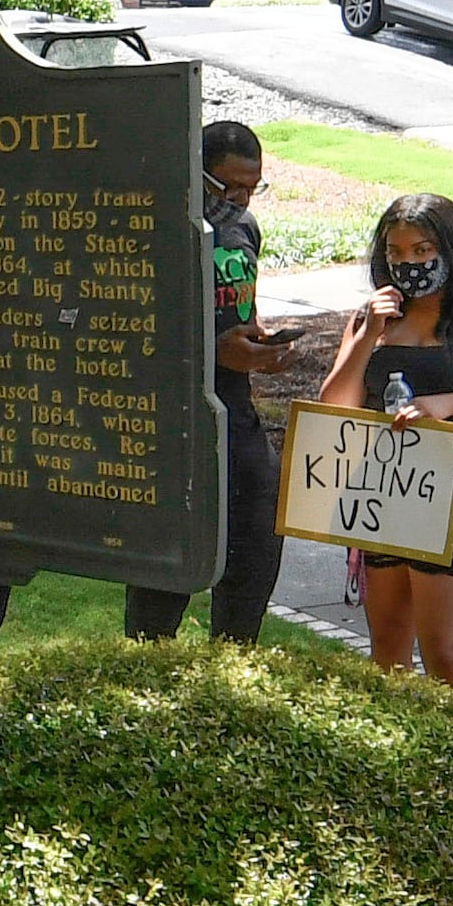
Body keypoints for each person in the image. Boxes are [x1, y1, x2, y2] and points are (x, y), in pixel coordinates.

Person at [305, 192, 453, 682]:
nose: (409, 264)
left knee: (445, 651)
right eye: (396, 252)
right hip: (384, 491)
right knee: (388, 649)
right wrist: (368, 335)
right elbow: (333, 409)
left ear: (452, 249)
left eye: (422, 250)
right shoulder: (372, 318)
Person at [127, 121, 292, 647]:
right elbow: (128, 332)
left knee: (258, 542)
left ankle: (234, 665)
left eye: (251, 187)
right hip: (174, 419)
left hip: (236, 411)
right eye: (228, 187)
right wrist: (211, 352)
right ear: (194, 173)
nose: (239, 199)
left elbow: (239, 308)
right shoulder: (153, 229)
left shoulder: (243, 229)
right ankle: (148, 667)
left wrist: (259, 345)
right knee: (169, 564)